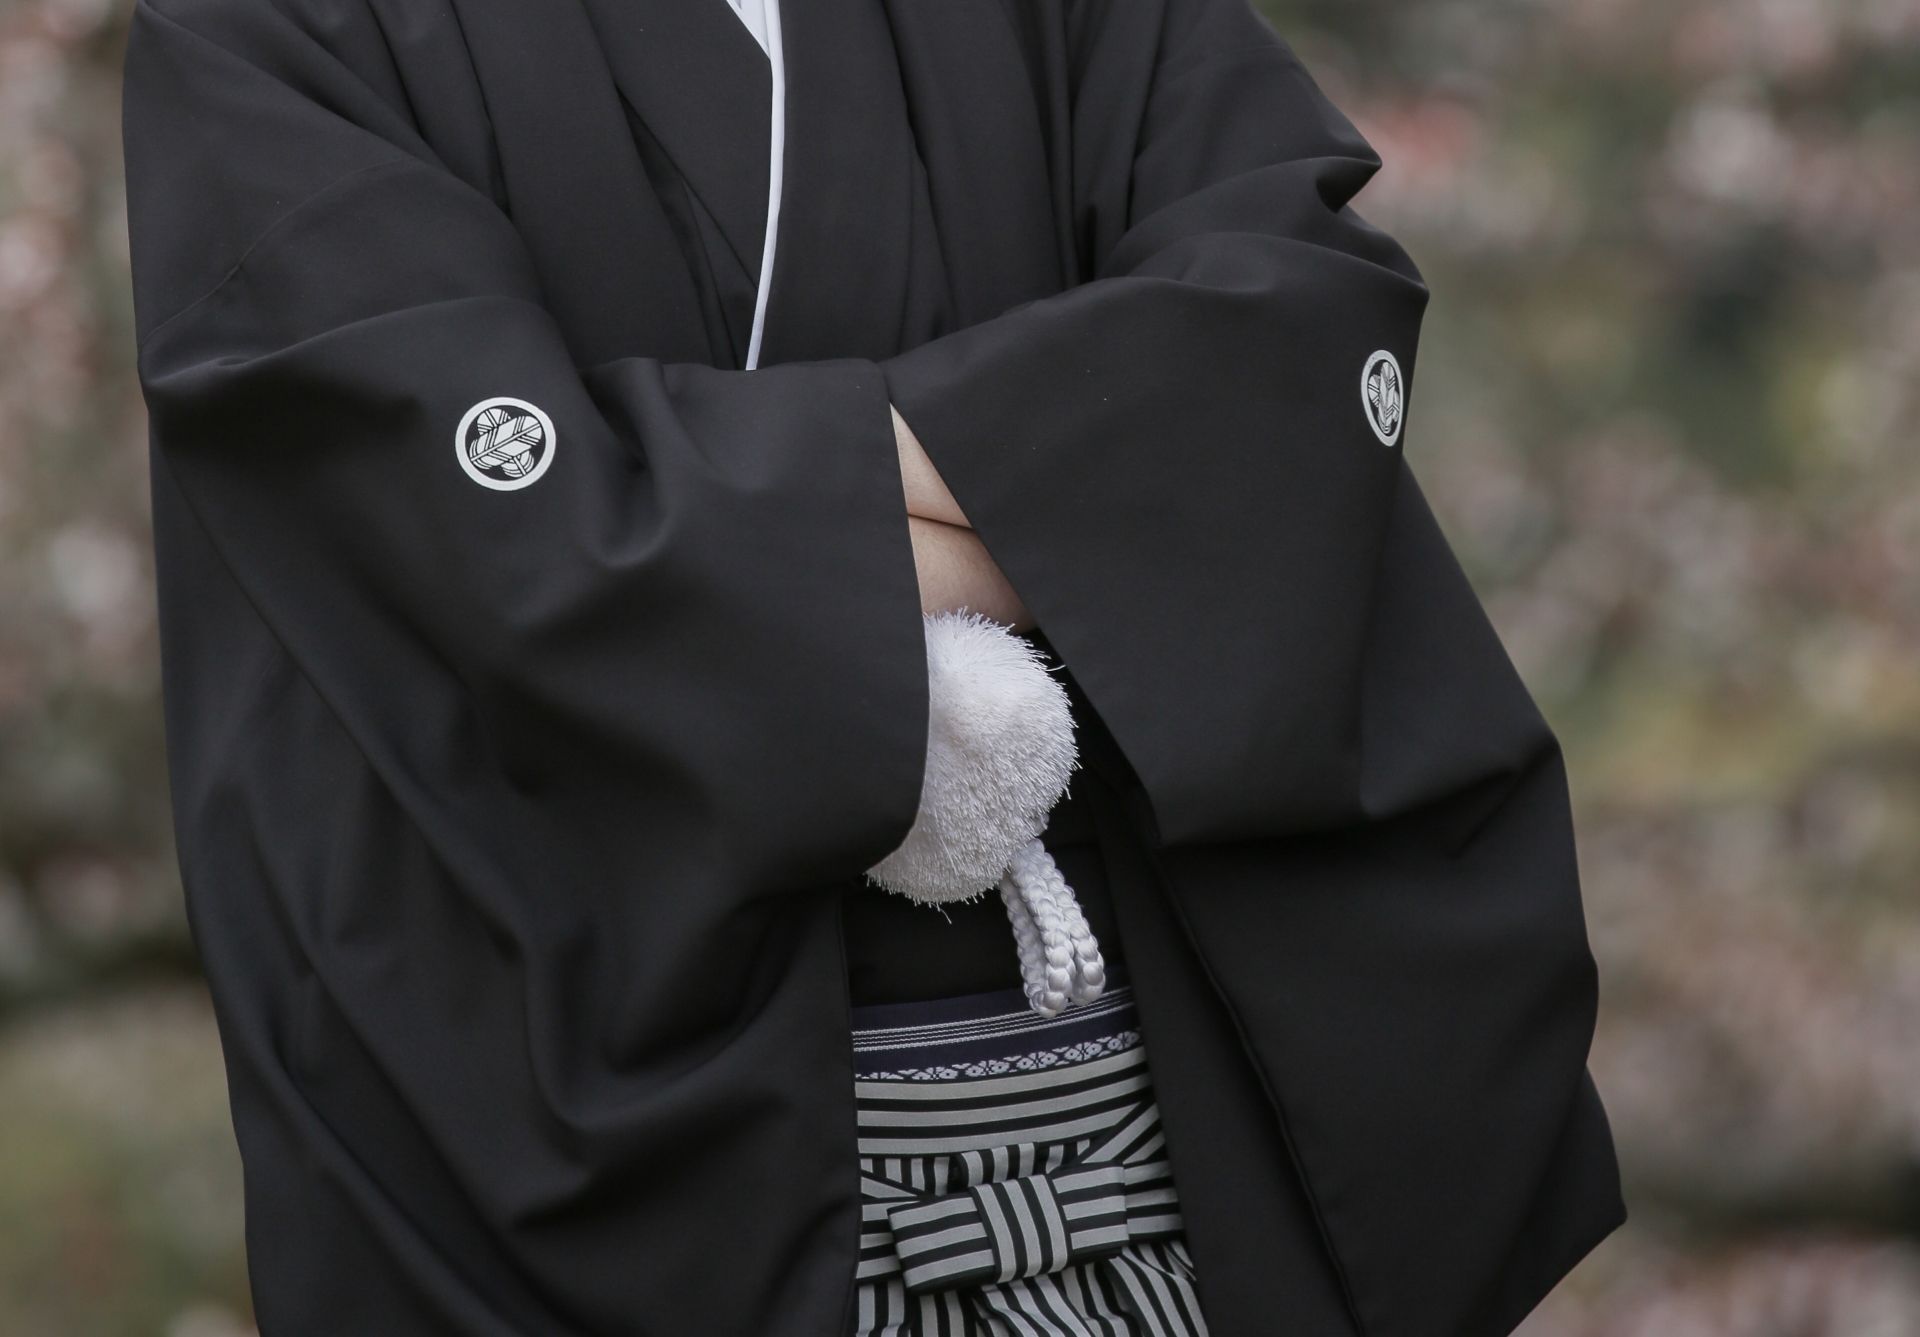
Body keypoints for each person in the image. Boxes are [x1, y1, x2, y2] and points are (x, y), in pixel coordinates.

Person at [121, 0, 1626, 1332]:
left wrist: (739, 511)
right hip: (656, 1179)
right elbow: (510, 534)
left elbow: (1293, 334)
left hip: (1169, 1178)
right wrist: (1087, 495)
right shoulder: (266, 32)